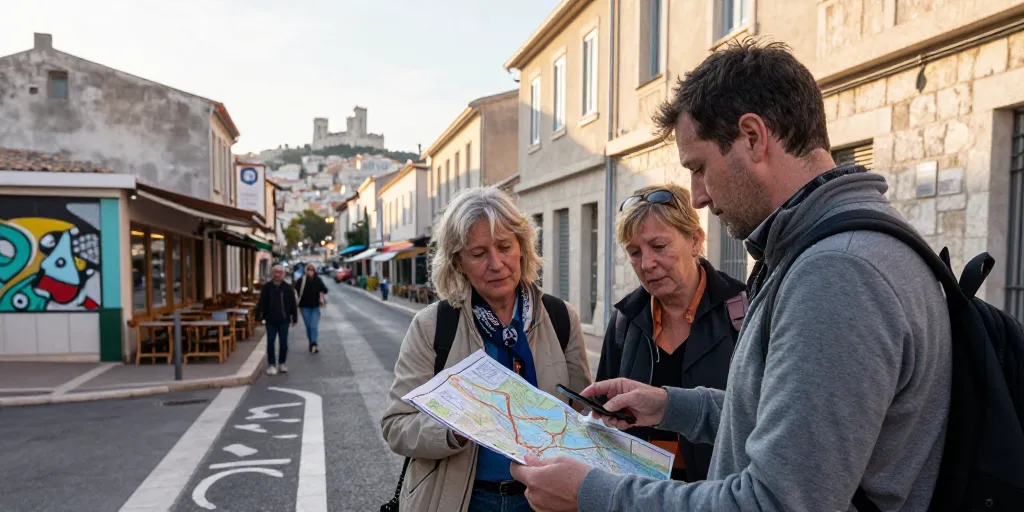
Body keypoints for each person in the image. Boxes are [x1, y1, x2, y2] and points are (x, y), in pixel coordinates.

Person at [510, 39, 952, 512]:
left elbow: (774, 504)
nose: (698, 195)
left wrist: (592, 493)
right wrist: (670, 405)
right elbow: (774, 422)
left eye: (699, 167)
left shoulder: (838, 273)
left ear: (753, 137)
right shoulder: (833, 250)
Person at [381, 186, 593, 512]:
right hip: (464, 500)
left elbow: (583, 415)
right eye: (479, 254)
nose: (496, 264)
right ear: (458, 262)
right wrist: (452, 431)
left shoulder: (561, 317)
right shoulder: (433, 326)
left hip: (544, 499)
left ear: (522, 248)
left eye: (505, 247)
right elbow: (397, 425)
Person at [597, 182, 747, 483]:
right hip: (640, 493)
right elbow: (605, 418)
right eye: (634, 252)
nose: (646, 264)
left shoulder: (743, 311)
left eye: (659, 247)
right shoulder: (624, 321)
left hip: (719, 493)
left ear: (695, 240)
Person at [255, 265, 298, 375]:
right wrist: (258, 315)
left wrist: (294, 317)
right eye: (275, 272)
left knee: (283, 342)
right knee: (270, 342)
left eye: (279, 272)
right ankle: (271, 364)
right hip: (270, 319)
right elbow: (261, 302)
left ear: (283, 274)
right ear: (272, 273)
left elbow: (293, 304)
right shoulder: (267, 287)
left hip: (284, 319)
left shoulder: (287, 288)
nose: (277, 274)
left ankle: (282, 363)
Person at [295, 262, 328, 354]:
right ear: (306, 270)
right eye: (309, 269)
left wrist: (321, 292)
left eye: (312, 269)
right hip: (304, 307)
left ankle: (314, 343)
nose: (310, 271)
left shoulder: (318, 279)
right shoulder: (301, 280)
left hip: (315, 307)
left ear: (314, 270)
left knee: (314, 326)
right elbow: (295, 289)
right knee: (308, 327)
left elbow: (325, 289)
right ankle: (311, 343)